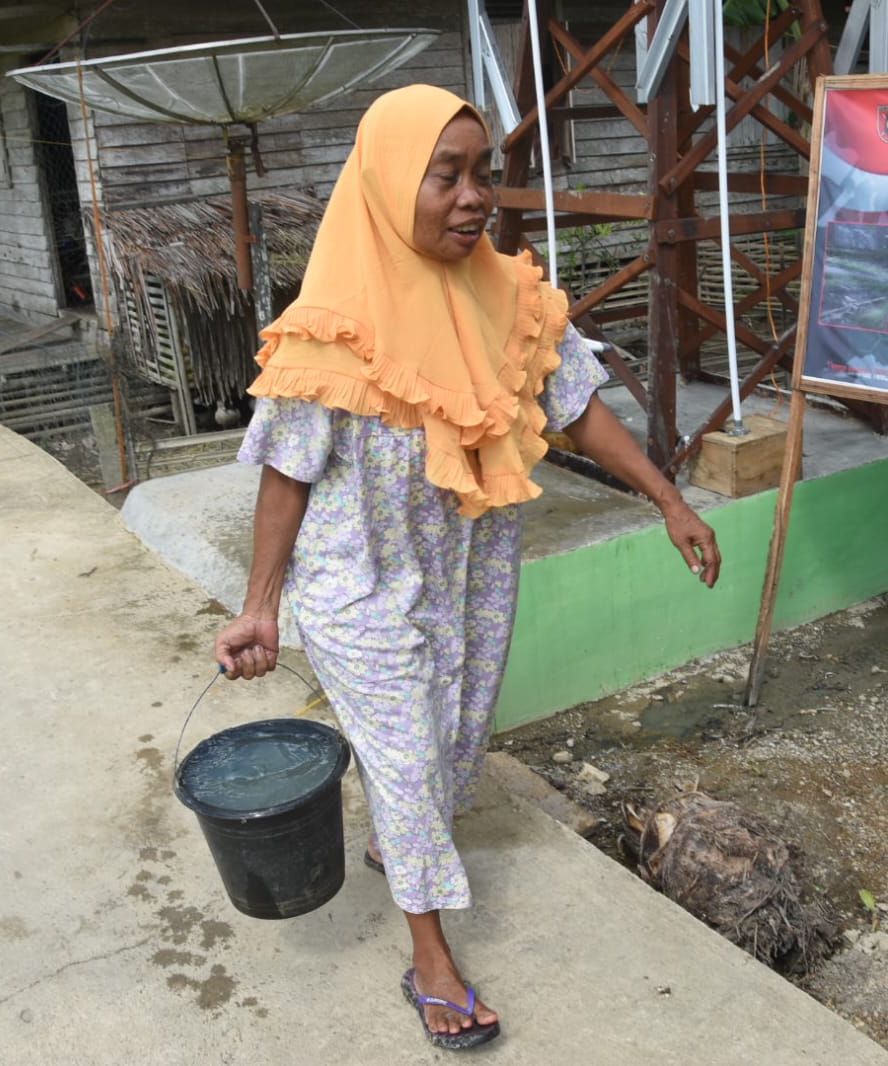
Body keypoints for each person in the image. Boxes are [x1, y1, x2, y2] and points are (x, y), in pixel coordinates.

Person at [214, 84, 721, 1050]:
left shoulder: (507, 298)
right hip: (357, 583)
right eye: (443, 175)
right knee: (409, 760)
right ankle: (432, 961)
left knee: (449, 741)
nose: (473, 195)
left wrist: (668, 499)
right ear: (385, 183)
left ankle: (394, 843)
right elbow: (285, 475)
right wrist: (261, 606)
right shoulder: (329, 328)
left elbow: (576, 408)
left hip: (465, 574)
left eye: (482, 173)